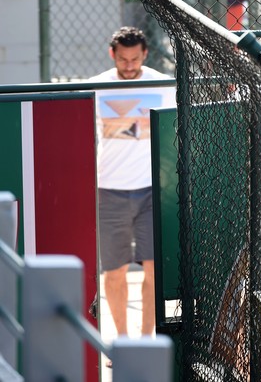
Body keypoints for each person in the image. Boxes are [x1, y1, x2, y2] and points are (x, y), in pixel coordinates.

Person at [89, 27, 175, 348]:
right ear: (113, 55)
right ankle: (122, 343)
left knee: (154, 270)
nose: (129, 66)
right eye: (123, 59)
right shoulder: (96, 87)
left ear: (145, 54)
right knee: (114, 272)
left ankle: (146, 341)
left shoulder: (163, 84)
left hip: (153, 191)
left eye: (135, 59)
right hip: (108, 191)